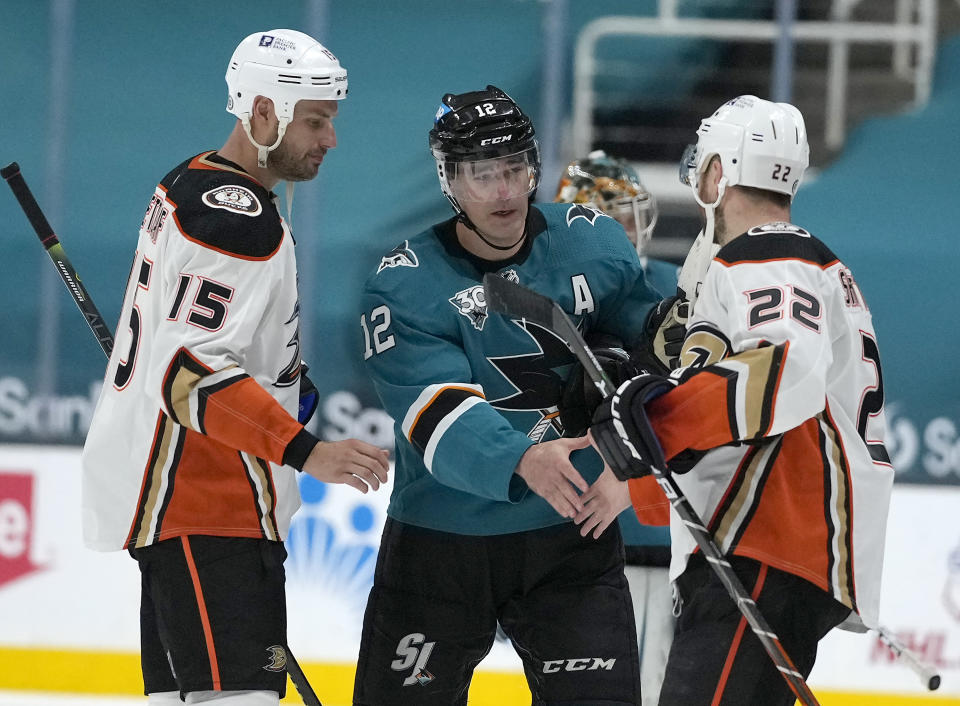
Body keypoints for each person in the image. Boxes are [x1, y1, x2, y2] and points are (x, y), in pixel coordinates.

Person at [81, 30, 389, 705]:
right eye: (315, 120)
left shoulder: (188, 180)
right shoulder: (239, 218)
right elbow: (188, 372)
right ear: (261, 112)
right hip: (207, 500)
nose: (329, 138)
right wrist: (307, 451)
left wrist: (287, 392)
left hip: (180, 509)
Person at [353, 85, 669, 705]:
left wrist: (626, 464)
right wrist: (524, 458)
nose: (502, 191)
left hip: (570, 541)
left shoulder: (593, 244)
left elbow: (653, 359)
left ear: (534, 171)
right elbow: (436, 408)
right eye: (481, 174)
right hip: (440, 547)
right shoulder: (405, 284)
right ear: (449, 180)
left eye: (515, 170)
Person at [577, 95, 896, 705]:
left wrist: (659, 418)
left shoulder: (768, 254)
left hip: (770, 541)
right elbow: (753, 413)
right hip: (774, 543)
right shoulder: (792, 261)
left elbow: (783, 371)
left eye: (704, 164)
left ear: (719, 172)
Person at [554, 150, 677, 706]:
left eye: (634, 217)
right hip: (572, 539)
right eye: (617, 218)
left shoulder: (675, 292)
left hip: (659, 537)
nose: (632, 231)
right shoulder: (546, 304)